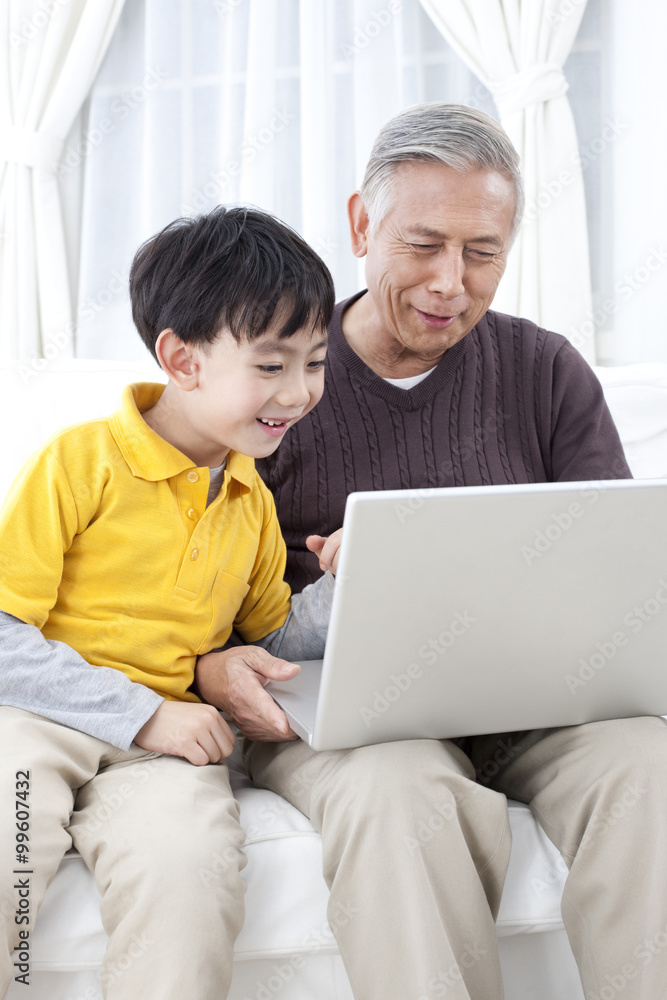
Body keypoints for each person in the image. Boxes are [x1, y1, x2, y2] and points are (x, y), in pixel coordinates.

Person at [196, 105, 667, 1000]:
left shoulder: (543, 368)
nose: (451, 281)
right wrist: (229, 664)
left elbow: (620, 563)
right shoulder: (270, 382)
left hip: (540, 701)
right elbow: (199, 610)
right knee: (397, 800)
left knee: (651, 764)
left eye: (482, 251)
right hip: (351, 719)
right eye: (423, 245)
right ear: (361, 226)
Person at [0, 206, 337, 999]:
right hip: (39, 719)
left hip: (167, 748)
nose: (299, 392)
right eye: (270, 365)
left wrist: (348, 583)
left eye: (315, 362)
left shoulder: (251, 497)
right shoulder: (79, 462)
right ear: (181, 361)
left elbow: (274, 640)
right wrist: (141, 713)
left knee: (192, 872)